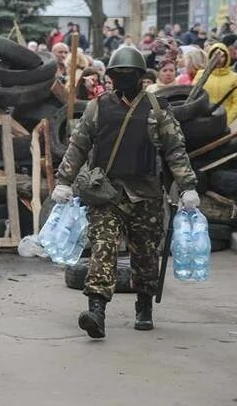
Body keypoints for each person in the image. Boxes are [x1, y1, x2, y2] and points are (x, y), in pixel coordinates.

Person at [52, 46, 197, 339]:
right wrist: (64, 180)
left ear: (141, 77)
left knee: (145, 254)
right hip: (108, 192)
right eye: (117, 74)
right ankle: (97, 311)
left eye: (128, 74)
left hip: (147, 195)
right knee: (102, 247)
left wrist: (188, 187)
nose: (122, 79)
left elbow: (175, 152)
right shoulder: (98, 107)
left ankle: (144, 306)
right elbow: (78, 145)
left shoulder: (158, 109)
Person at [193, 43, 237, 125]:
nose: (219, 59)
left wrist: (226, 121)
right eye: (215, 55)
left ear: (227, 57)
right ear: (209, 57)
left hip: (226, 121)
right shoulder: (200, 74)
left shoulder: (235, 77)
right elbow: (194, 97)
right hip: (203, 121)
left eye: (222, 56)